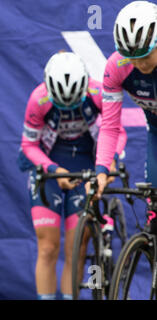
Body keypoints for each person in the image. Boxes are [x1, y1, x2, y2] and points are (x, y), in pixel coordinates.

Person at [17, 52, 127, 300]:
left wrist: (109, 163)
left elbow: (118, 132)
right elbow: (29, 145)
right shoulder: (39, 97)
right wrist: (53, 171)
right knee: (47, 248)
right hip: (50, 171)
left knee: (76, 248)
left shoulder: (98, 92)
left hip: (85, 169)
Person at [94, 0, 157, 211]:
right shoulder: (116, 66)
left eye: (146, 56)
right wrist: (101, 170)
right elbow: (110, 126)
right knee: (154, 205)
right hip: (155, 130)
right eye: (132, 58)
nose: (139, 65)